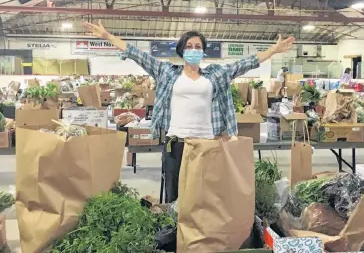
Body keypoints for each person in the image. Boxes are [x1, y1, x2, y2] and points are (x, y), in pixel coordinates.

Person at [84, 21, 295, 203]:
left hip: (207, 143)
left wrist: (274, 50)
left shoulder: (215, 74)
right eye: (189, 46)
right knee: (174, 194)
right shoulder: (167, 72)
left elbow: (247, 63)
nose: (193, 50)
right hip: (175, 142)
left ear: (203, 51)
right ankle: (174, 237)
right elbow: (137, 54)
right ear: (182, 51)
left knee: (204, 194)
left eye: (198, 46)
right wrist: (107, 36)